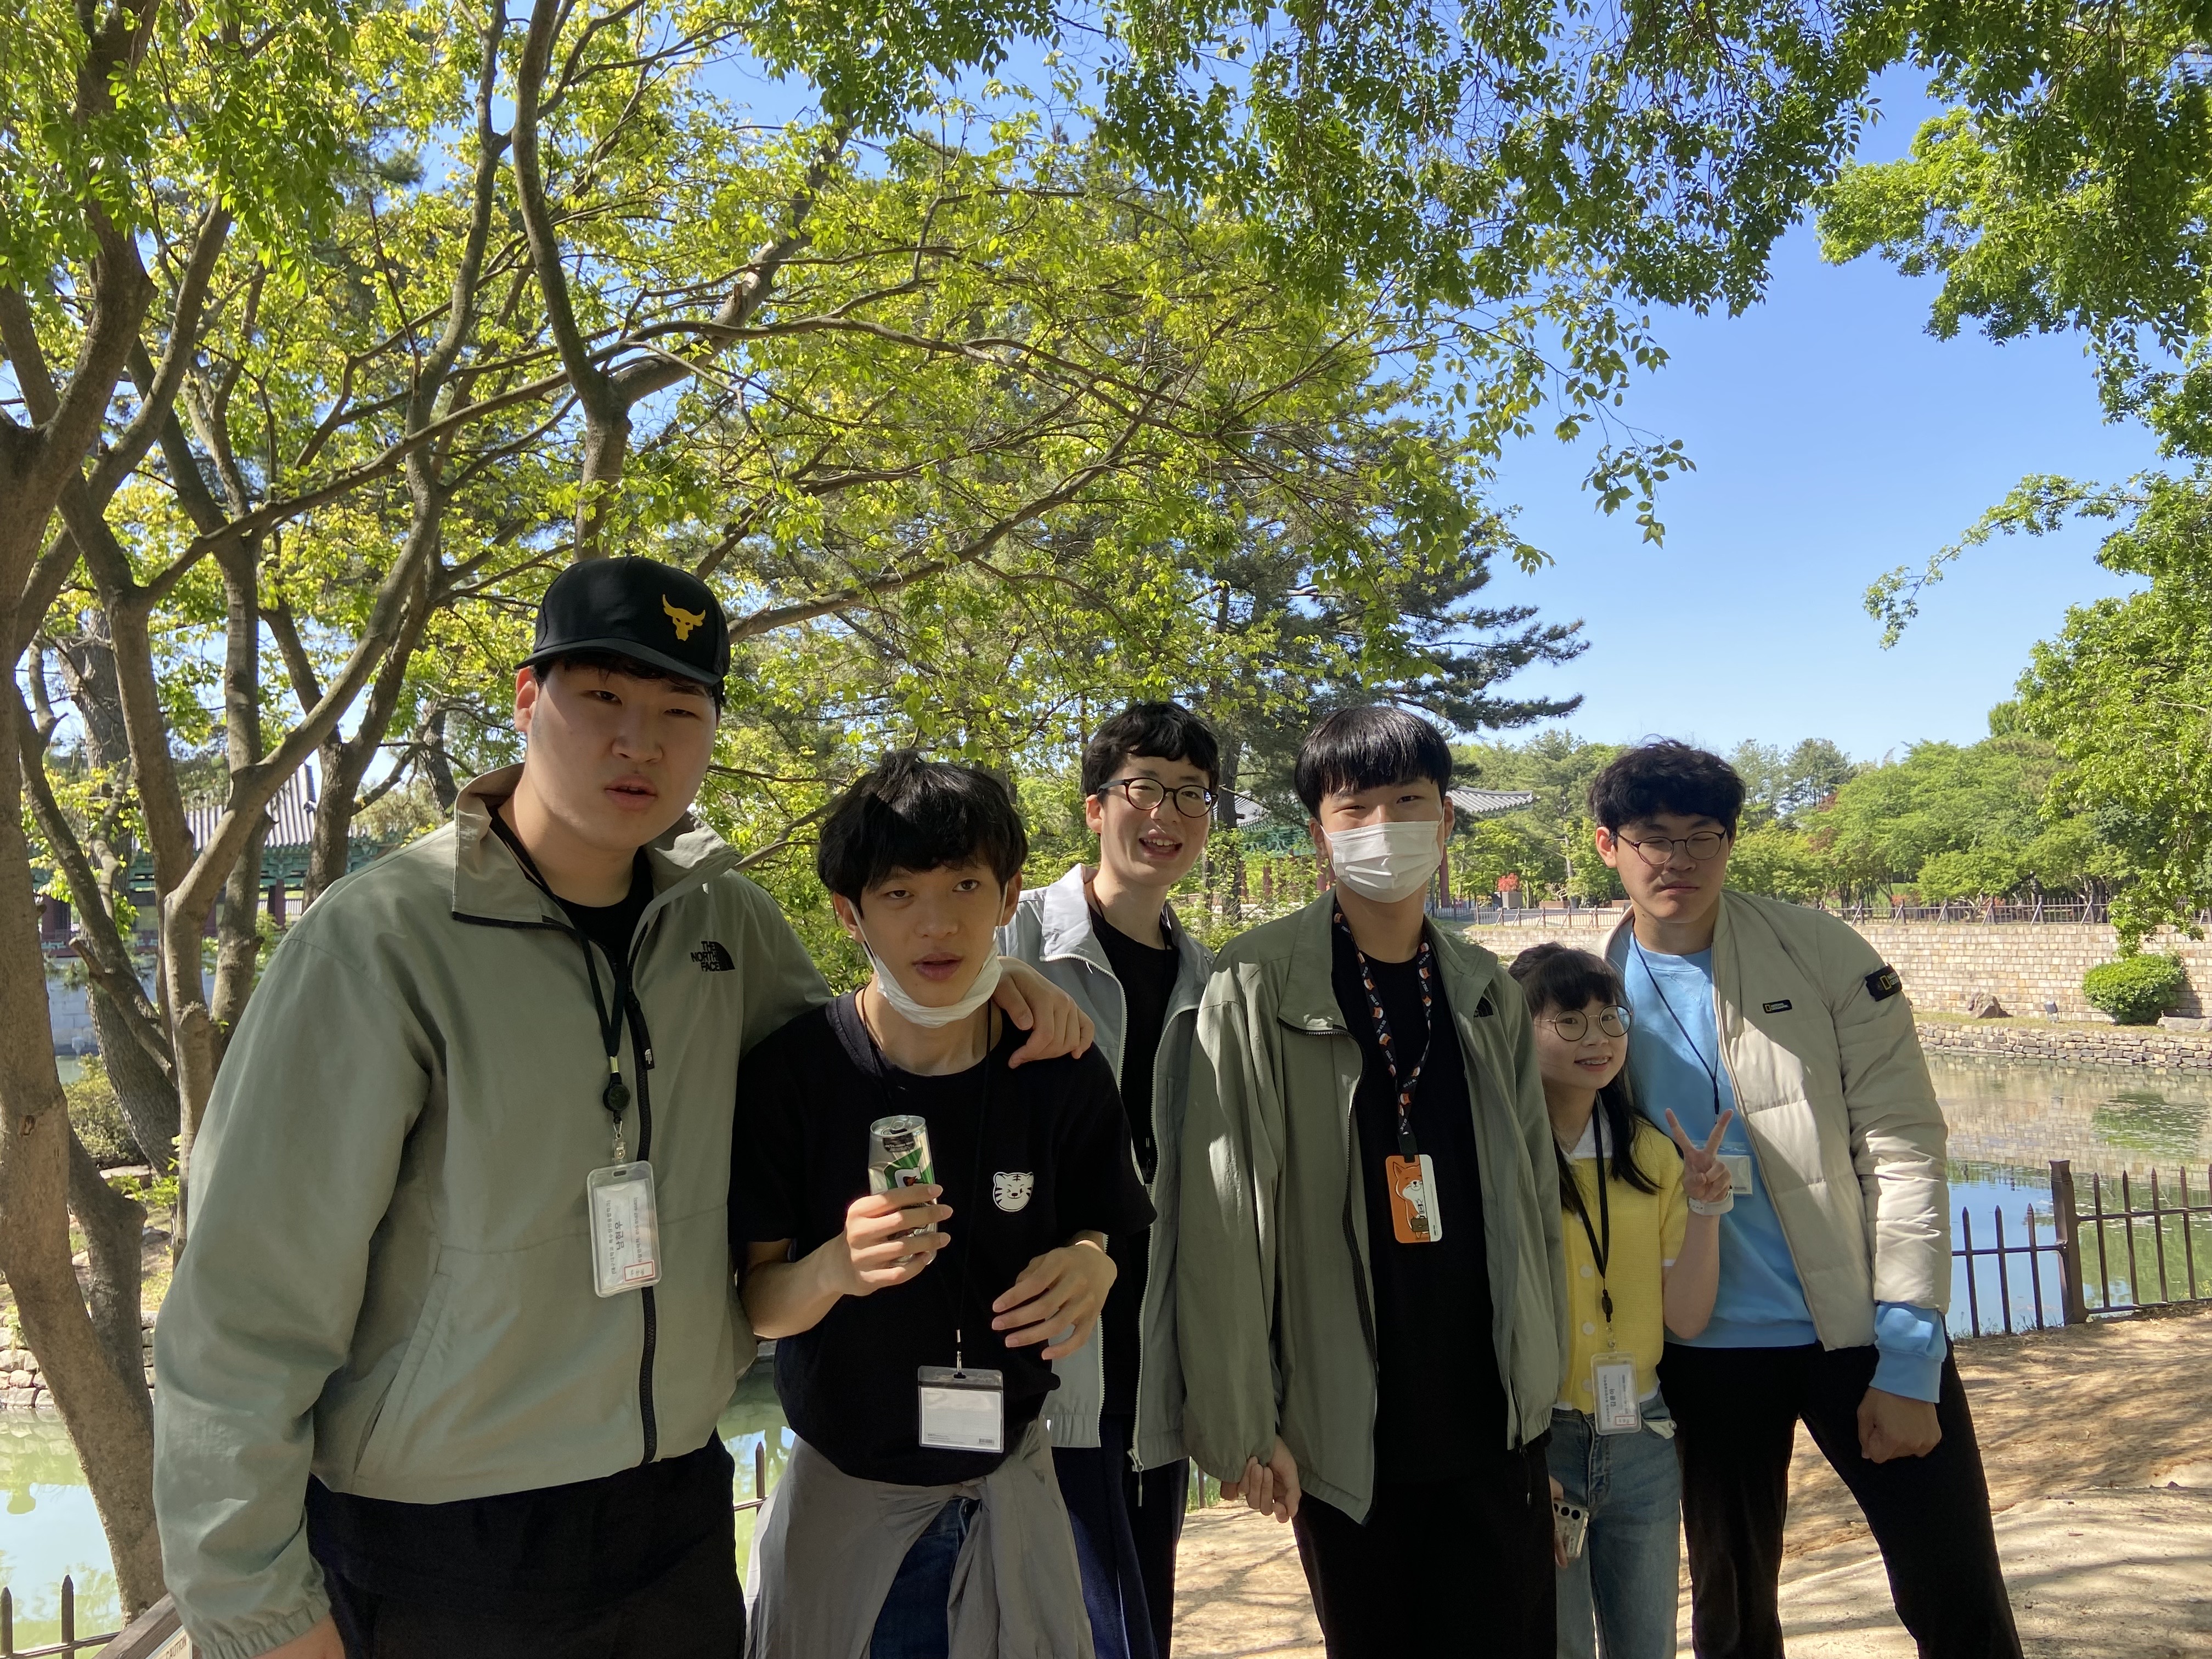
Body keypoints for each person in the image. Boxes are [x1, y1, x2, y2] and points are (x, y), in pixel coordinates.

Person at [153, 558, 1091, 1659]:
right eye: (602, 698)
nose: (639, 743)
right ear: (527, 700)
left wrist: (990, 982)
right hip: (446, 1543)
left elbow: (863, 1055)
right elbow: (247, 1304)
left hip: (672, 1517)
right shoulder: (381, 943)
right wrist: (259, 1614)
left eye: (679, 711)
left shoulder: (726, 925)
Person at [1587, 741, 2021, 1659]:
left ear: (1731, 843)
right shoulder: (1588, 985)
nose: (1678, 860)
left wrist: (1909, 1353)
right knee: (1731, 1613)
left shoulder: (1818, 950)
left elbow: (1903, 1144)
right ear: (1608, 846)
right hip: (1700, 1352)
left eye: (1703, 837)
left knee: (1957, 1593)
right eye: (1653, 837)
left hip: (1859, 1329)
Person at [733, 751, 1156, 1659]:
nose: (938, 923)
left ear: (1009, 897)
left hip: (1014, 1488)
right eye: (898, 894)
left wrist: (1093, 1263)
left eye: (966, 884)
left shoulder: (1060, 1066)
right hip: (847, 1502)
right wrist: (834, 1268)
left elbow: (1103, 1220)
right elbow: (759, 1303)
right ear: (849, 914)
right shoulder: (795, 1076)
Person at [1178, 705, 1567, 1659]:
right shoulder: (1256, 983)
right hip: (1344, 1426)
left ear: (1446, 821)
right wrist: (1243, 1421)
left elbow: (1534, 1203)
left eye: (1409, 802)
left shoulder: (1486, 990)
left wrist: (1543, 1387)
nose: (1384, 827)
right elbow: (1224, 1218)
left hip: (1493, 1415)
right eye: (1354, 808)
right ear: (1319, 832)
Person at [998, 701, 1219, 1659]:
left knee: (1142, 1612)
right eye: (1144, 789)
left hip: (1154, 1349)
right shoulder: (1010, 940)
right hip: (1038, 1345)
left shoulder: (1210, 983)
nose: (1166, 815)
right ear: (1095, 806)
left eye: (1192, 795)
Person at [1508, 944, 1731, 1659]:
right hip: (1541, 1441)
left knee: (1648, 1646)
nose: (1598, 1037)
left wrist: (1706, 1211)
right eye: (1570, 1020)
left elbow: (1685, 1317)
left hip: (1642, 1438)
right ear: (1517, 1030)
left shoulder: (1652, 1156)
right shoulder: (1500, 1160)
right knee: (1560, 1645)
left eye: (1611, 1018)